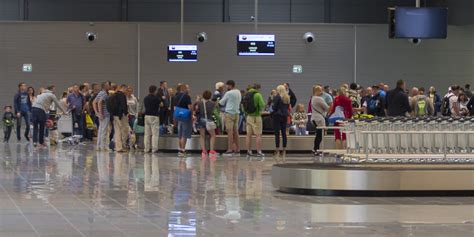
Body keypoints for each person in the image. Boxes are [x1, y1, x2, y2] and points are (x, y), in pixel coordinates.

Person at [219, 80, 242, 156]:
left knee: (229, 132)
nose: (226, 87)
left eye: (227, 86)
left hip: (229, 114)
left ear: (230, 85)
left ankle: (230, 150)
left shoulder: (228, 93)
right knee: (236, 132)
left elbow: (221, 102)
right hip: (236, 113)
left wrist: (217, 100)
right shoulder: (238, 92)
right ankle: (238, 149)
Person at [243, 84, 266, 158]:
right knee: (258, 135)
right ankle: (259, 152)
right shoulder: (258, 95)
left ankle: (248, 151)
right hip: (256, 117)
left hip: (248, 117)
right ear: (258, 88)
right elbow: (262, 105)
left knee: (248, 135)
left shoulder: (246, 94)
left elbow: (244, 107)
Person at [197, 90, 218, 157]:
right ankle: (211, 151)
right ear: (210, 96)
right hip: (209, 120)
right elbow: (213, 111)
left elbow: (197, 111)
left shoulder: (199, 103)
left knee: (202, 136)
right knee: (213, 135)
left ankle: (203, 151)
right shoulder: (212, 104)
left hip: (201, 120)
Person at [174, 84, 193, 157]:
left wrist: (174, 118)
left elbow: (175, 108)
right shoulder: (187, 96)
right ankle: (183, 150)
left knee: (180, 133)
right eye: (187, 88)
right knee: (184, 134)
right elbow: (190, 107)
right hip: (186, 116)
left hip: (178, 116)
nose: (188, 89)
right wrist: (191, 116)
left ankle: (180, 149)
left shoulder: (176, 96)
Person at [272, 85, 290, 158]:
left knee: (277, 134)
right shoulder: (287, 97)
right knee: (284, 134)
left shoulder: (277, 97)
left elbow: (274, 107)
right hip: (284, 116)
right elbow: (288, 107)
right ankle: (284, 150)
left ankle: (277, 150)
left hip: (277, 116)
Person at [110, 85, 130, 152]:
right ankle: (123, 146)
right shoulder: (122, 95)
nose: (126, 91)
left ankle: (118, 147)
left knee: (117, 131)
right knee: (124, 130)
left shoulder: (114, 95)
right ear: (123, 88)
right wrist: (126, 113)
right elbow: (123, 105)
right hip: (121, 116)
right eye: (126, 89)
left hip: (114, 115)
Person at [310, 86, 329, 156]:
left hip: (315, 119)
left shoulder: (313, 98)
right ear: (317, 91)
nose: (322, 92)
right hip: (319, 119)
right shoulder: (319, 98)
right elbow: (327, 108)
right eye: (320, 91)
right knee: (320, 135)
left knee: (318, 135)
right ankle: (316, 149)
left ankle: (316, 149)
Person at [143, 85, 162, 153]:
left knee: (147, 134)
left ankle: (146, 149)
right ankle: (154, 149)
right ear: (155, 91)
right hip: (154, 116)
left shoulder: (145, 98)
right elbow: (161, 105)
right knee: (155, 134)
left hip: (147, 116)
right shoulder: (157, 98)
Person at [93, 81, 111, 151]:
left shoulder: (100, 93)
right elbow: (99, 102)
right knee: (104, 131)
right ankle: (103, 147)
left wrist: (96, 112)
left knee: (100, 130)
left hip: (102, 115)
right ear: (105, 86)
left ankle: (99, 146)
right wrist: (100, 113)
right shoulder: (104, 94)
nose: (109, 86)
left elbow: (94, 102)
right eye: (108, 85)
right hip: (105, 115)